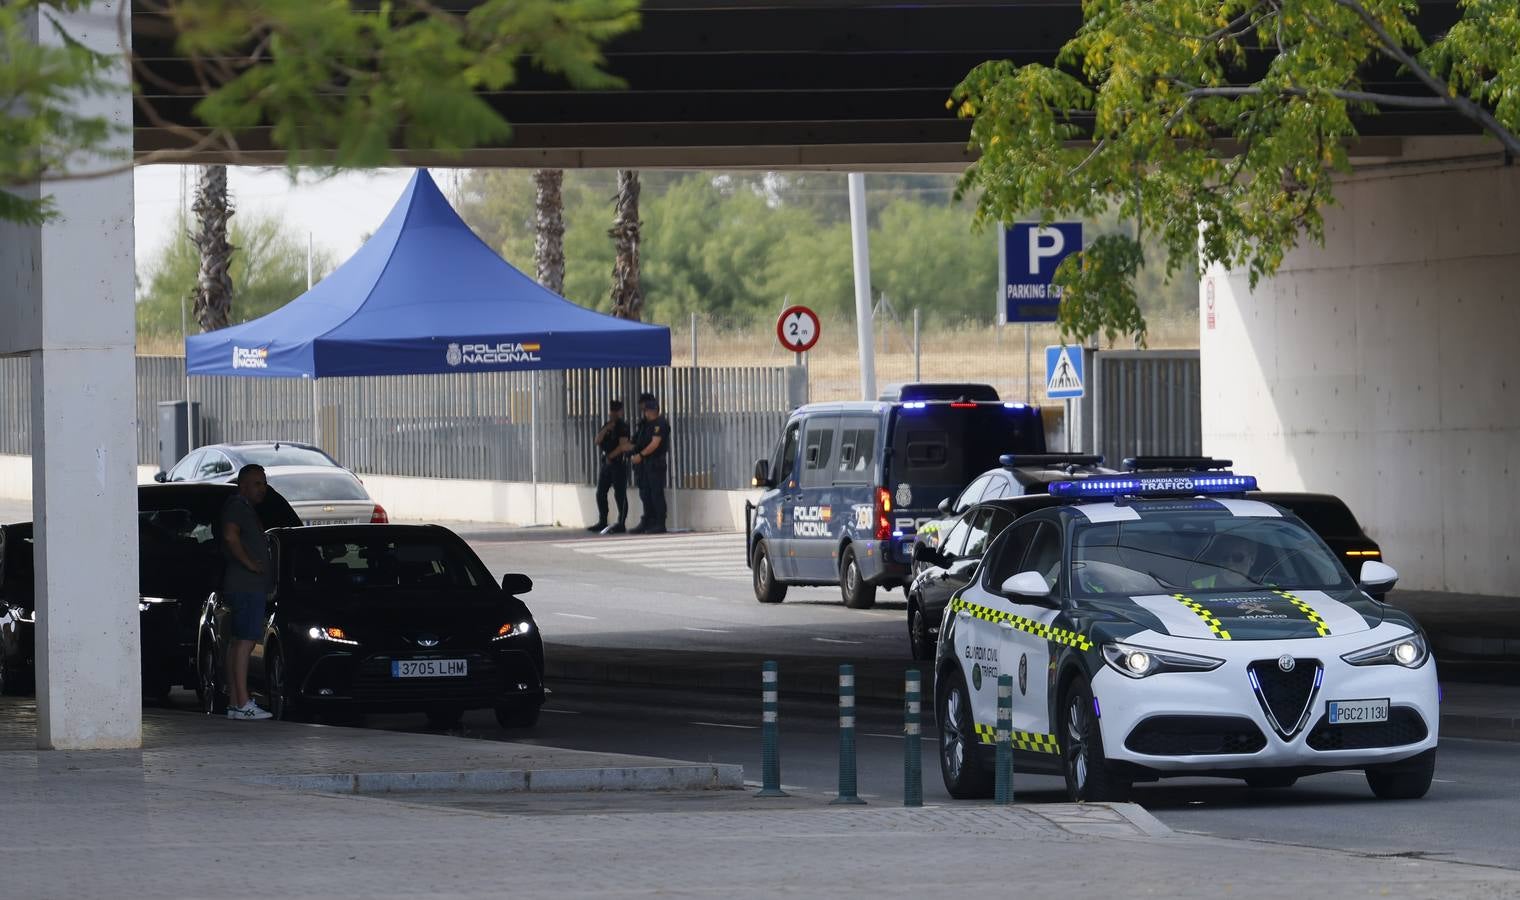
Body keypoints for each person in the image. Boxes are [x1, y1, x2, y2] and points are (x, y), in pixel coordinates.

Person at [219, 464, 274, 720]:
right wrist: (251, 563)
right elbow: (231, 537)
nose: (262, 489)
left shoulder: (245, 509)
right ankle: (243, 702)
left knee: (238, 642)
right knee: (246, 642)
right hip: (246, 586)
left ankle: (235, 702)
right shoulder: (237, 507)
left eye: (263, 483)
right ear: (242, 485)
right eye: (257, 484)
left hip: (246, 586)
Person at [629, 395, 671, 534]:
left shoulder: (660, 423)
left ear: (651, 410)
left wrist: (640, 455)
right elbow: (636, 442)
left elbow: (654, 444)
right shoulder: (645, 425)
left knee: (656, 494)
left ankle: (659, 523)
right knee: (646, 494)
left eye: (646, 410)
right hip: (645, 466)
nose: (645, 413)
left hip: (655, 464)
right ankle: (648, 521)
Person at [588, 400, 632, 534]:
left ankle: (621, 523)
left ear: (621, 412)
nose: (613, 414)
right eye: (612, 411)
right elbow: (597, 440)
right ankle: (602, 521)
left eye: (616, 411)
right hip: (607, 465)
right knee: (600, 493)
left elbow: (623, 446)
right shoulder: (607, 425)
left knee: (620, 495)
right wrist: (606, 429)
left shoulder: (623, 426)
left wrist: (610, 456)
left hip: (618, 464)